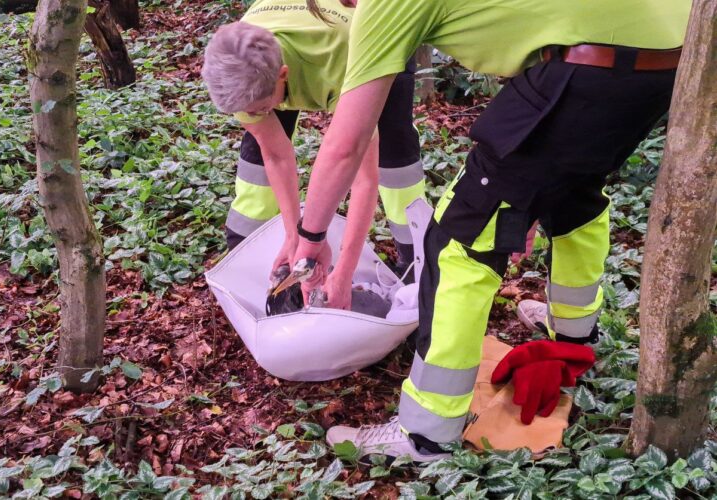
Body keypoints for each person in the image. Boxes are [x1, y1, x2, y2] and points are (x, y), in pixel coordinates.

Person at [290, 0, 689, 460]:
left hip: (587, 67)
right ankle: (575, 344)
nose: (352, 8)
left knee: (458, 240)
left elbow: (346, 143)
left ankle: (426, 432)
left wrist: (312, 239)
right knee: (576, 197)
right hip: (662, 61)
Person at [201, 0, 426, 307]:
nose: (255, 115)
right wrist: (295, 238)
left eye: (261, 108)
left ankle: (415, 256)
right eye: (248, 112)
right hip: (295, 44)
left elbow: (362, 177)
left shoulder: (344, 62)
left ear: (283, 74)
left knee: (394, 146)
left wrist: (343, 274)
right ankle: (248, 243)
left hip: (370, 38)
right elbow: (277, 155)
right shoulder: (235, 62)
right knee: (257, 148)